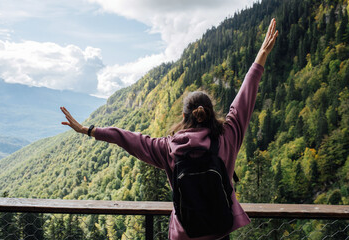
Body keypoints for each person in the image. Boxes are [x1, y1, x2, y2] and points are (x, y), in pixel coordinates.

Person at [61, 18, 278, 240]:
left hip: (185, 234)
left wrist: (89, 130)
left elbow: (126, 138)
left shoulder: (169, 147)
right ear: (212, 113)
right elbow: (244, 99)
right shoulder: (228, 136)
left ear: (184, 116)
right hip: (218, 231)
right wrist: (260, 56)